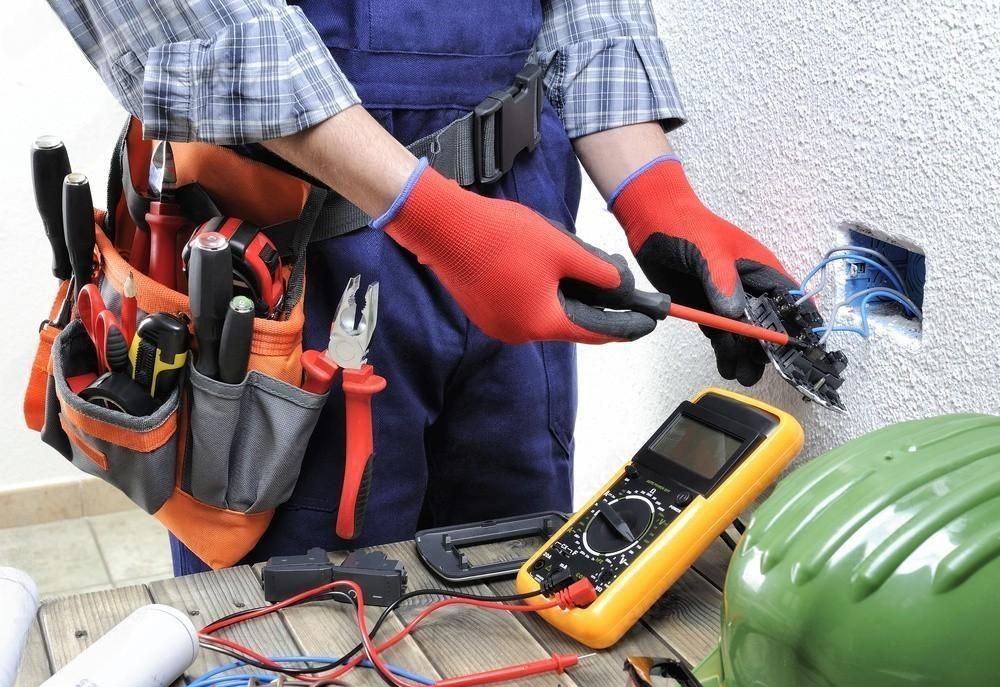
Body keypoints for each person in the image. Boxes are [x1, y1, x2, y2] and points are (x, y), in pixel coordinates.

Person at [46, 0, 808, 575]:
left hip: (519, 241)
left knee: (512, 581)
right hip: (301, 251)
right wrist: (440, 221)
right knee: (300, 637)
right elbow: (192, 24)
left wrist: (653, 195)